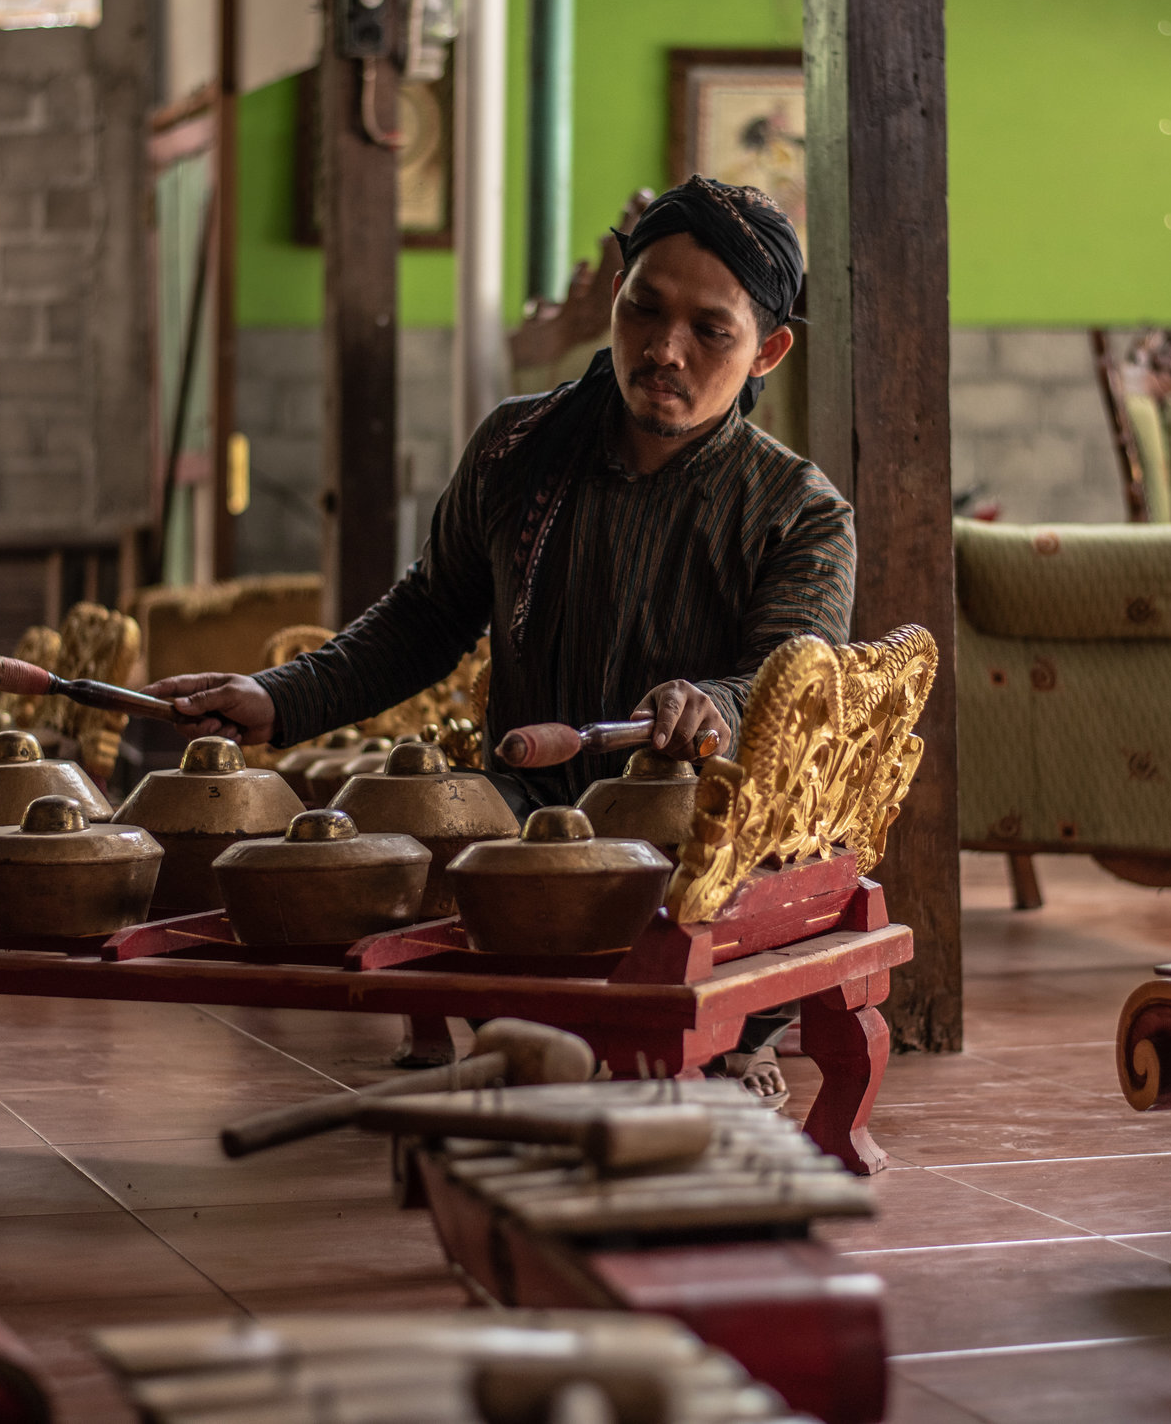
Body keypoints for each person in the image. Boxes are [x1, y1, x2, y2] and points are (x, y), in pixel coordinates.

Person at [149, 176, 857, 1102]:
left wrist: (713, 703)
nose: (664, 349)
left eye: (709, 331)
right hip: (523, 837)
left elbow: (786, 685)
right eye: (643, 309)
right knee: (380, 842)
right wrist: (279, 697)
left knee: (722, 882)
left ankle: (736, 1030)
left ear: (767, 350)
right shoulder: (517, 450)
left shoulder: (799, 513)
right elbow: (425, 617)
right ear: (615, 297)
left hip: (695, 848)